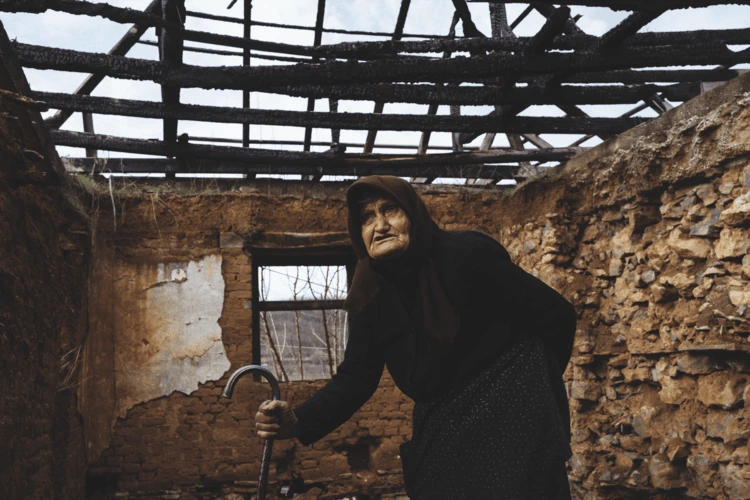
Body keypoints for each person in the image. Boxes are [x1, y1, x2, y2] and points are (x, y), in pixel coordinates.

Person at [254, 176, 576, 499]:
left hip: (513, 418)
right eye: (367, 217)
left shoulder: (467, 256)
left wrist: (532, 394)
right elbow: (356, 378)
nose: (379, 226)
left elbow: (556, 316)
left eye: (390, 210)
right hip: (443, 427)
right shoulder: (369, 291)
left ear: (413, 213)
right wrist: (298, 420)